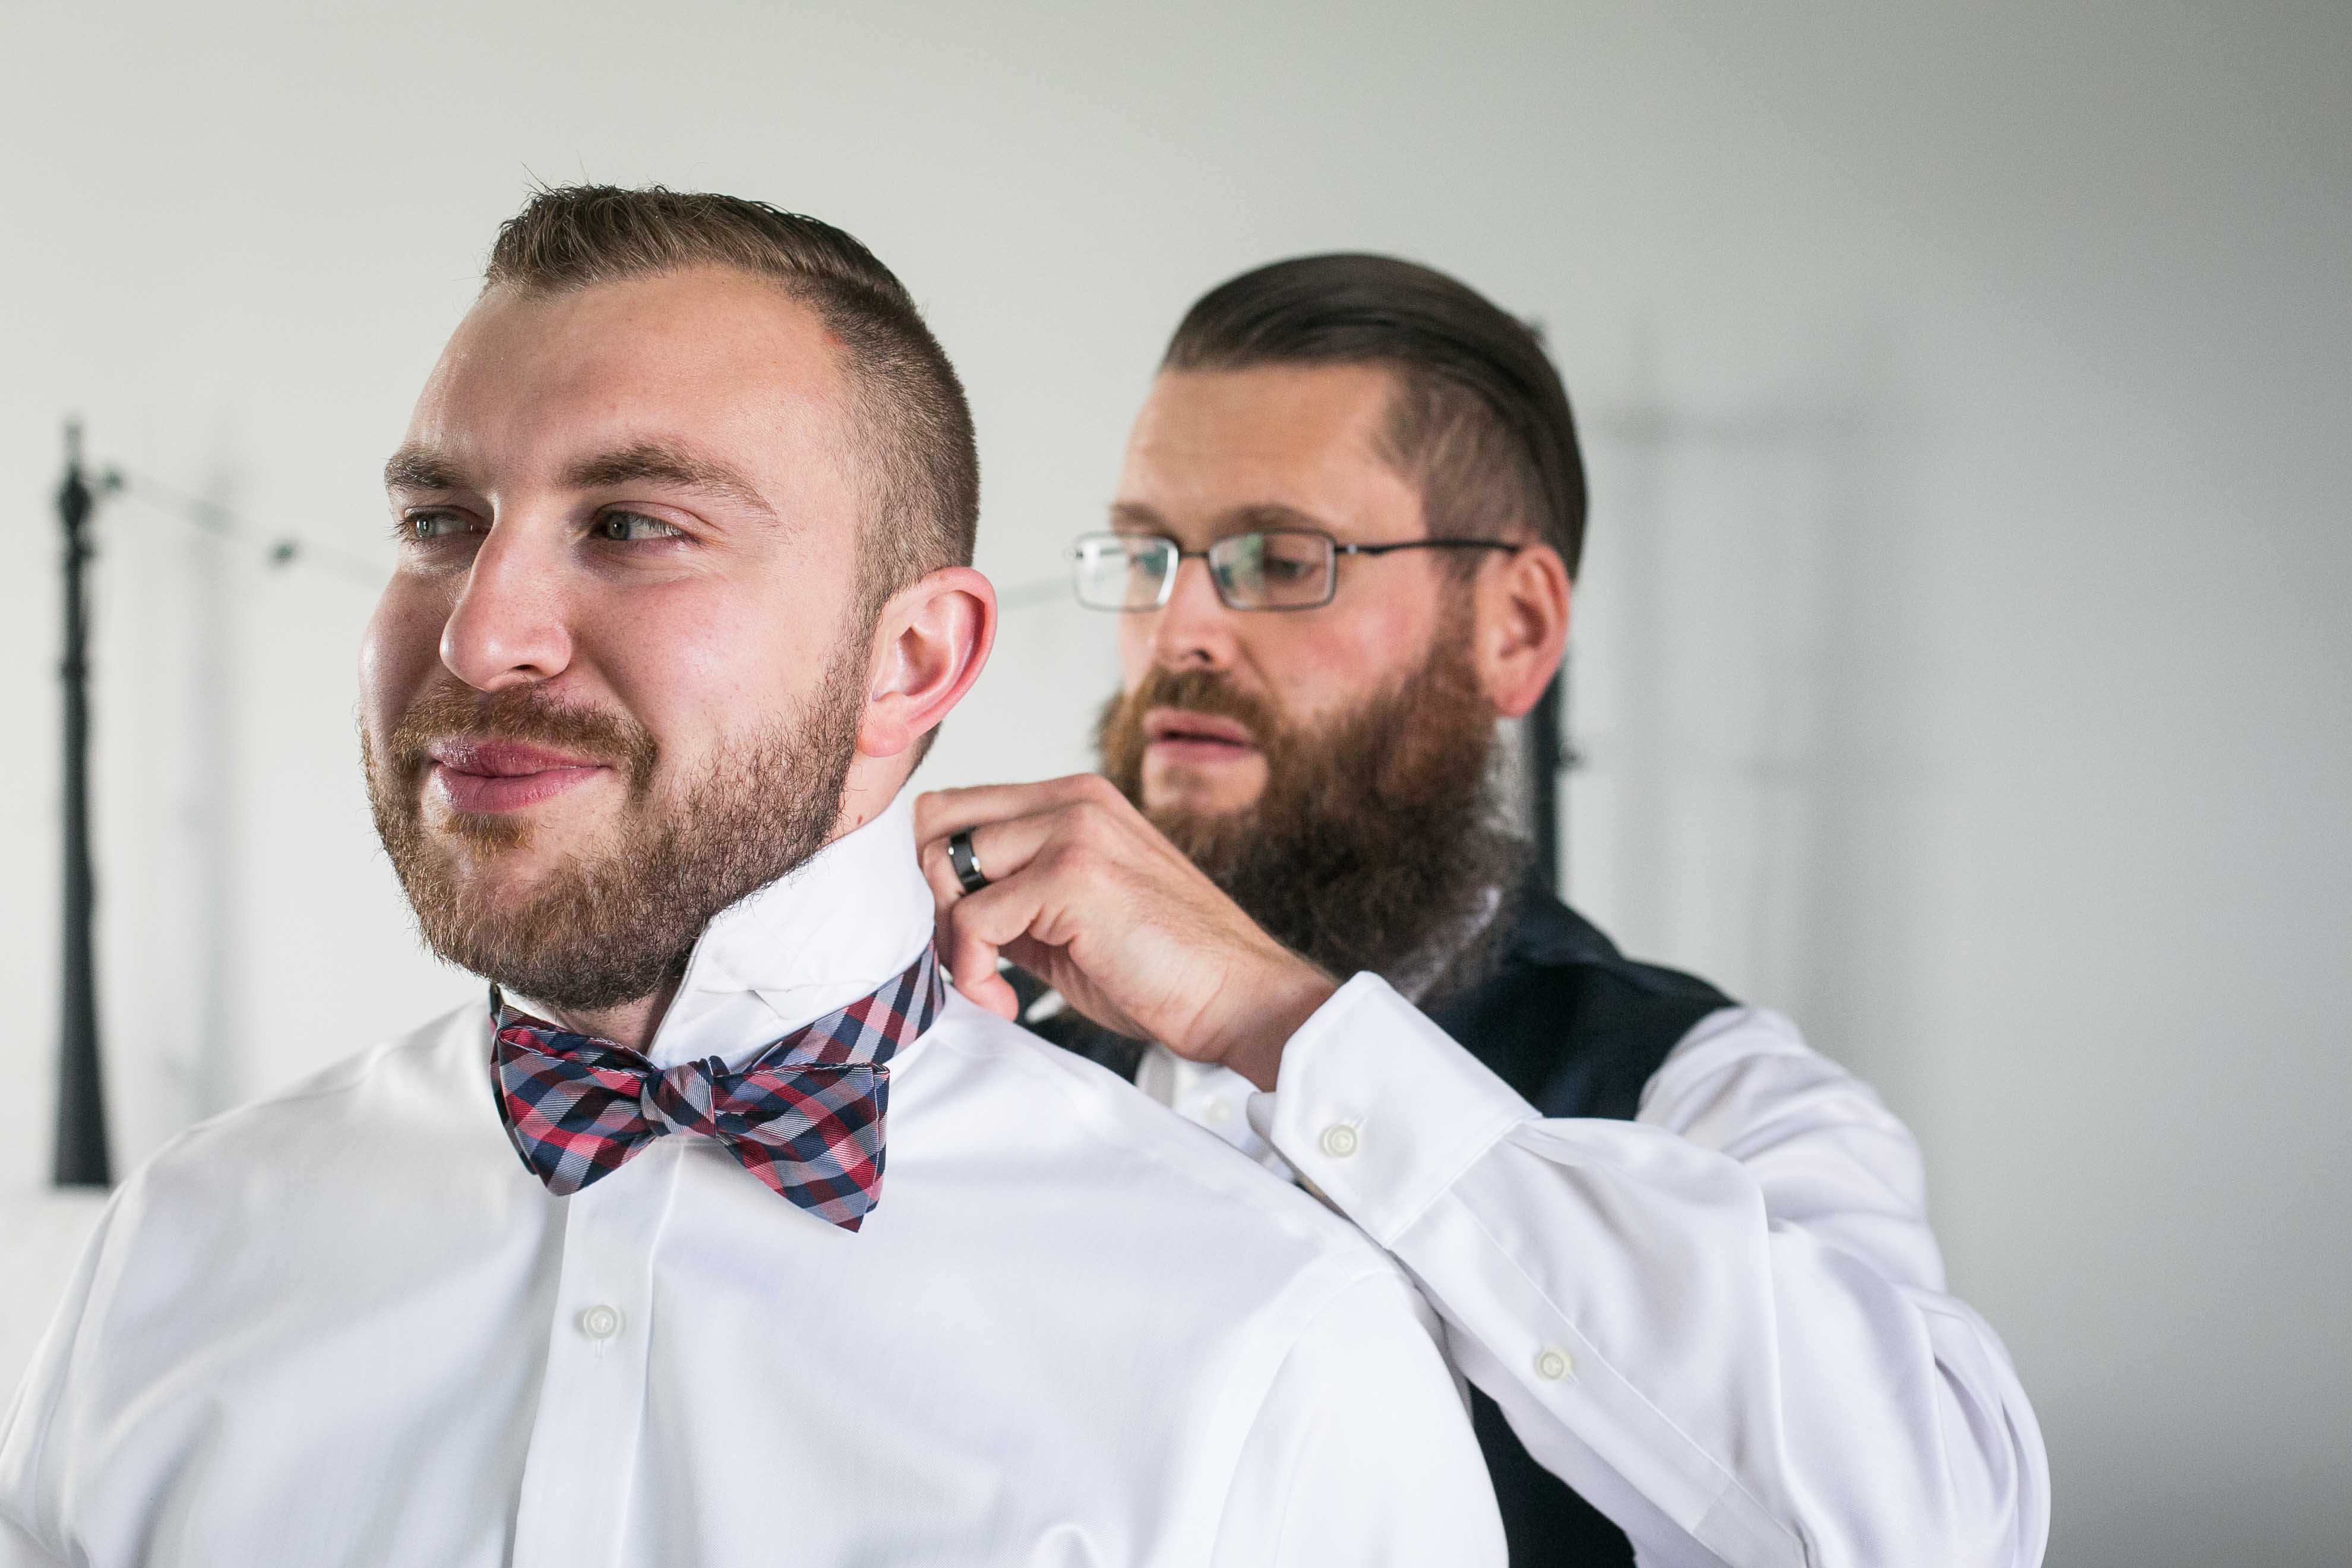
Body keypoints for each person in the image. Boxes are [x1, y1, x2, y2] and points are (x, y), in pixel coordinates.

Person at [0, 197, 1506, 1567]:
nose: (479, 636)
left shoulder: (1267, 1345)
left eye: (634, 526)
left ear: (911, 661)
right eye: (438, 524)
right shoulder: (178, 1247)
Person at [916, 254, 2051, 1567]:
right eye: (1148, 556)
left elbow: (1940, 1532)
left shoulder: (1712, 1095)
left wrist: (1276, 1021)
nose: (1180, 632)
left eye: (1279, 559)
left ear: (1513, 629)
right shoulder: (995, 1060)